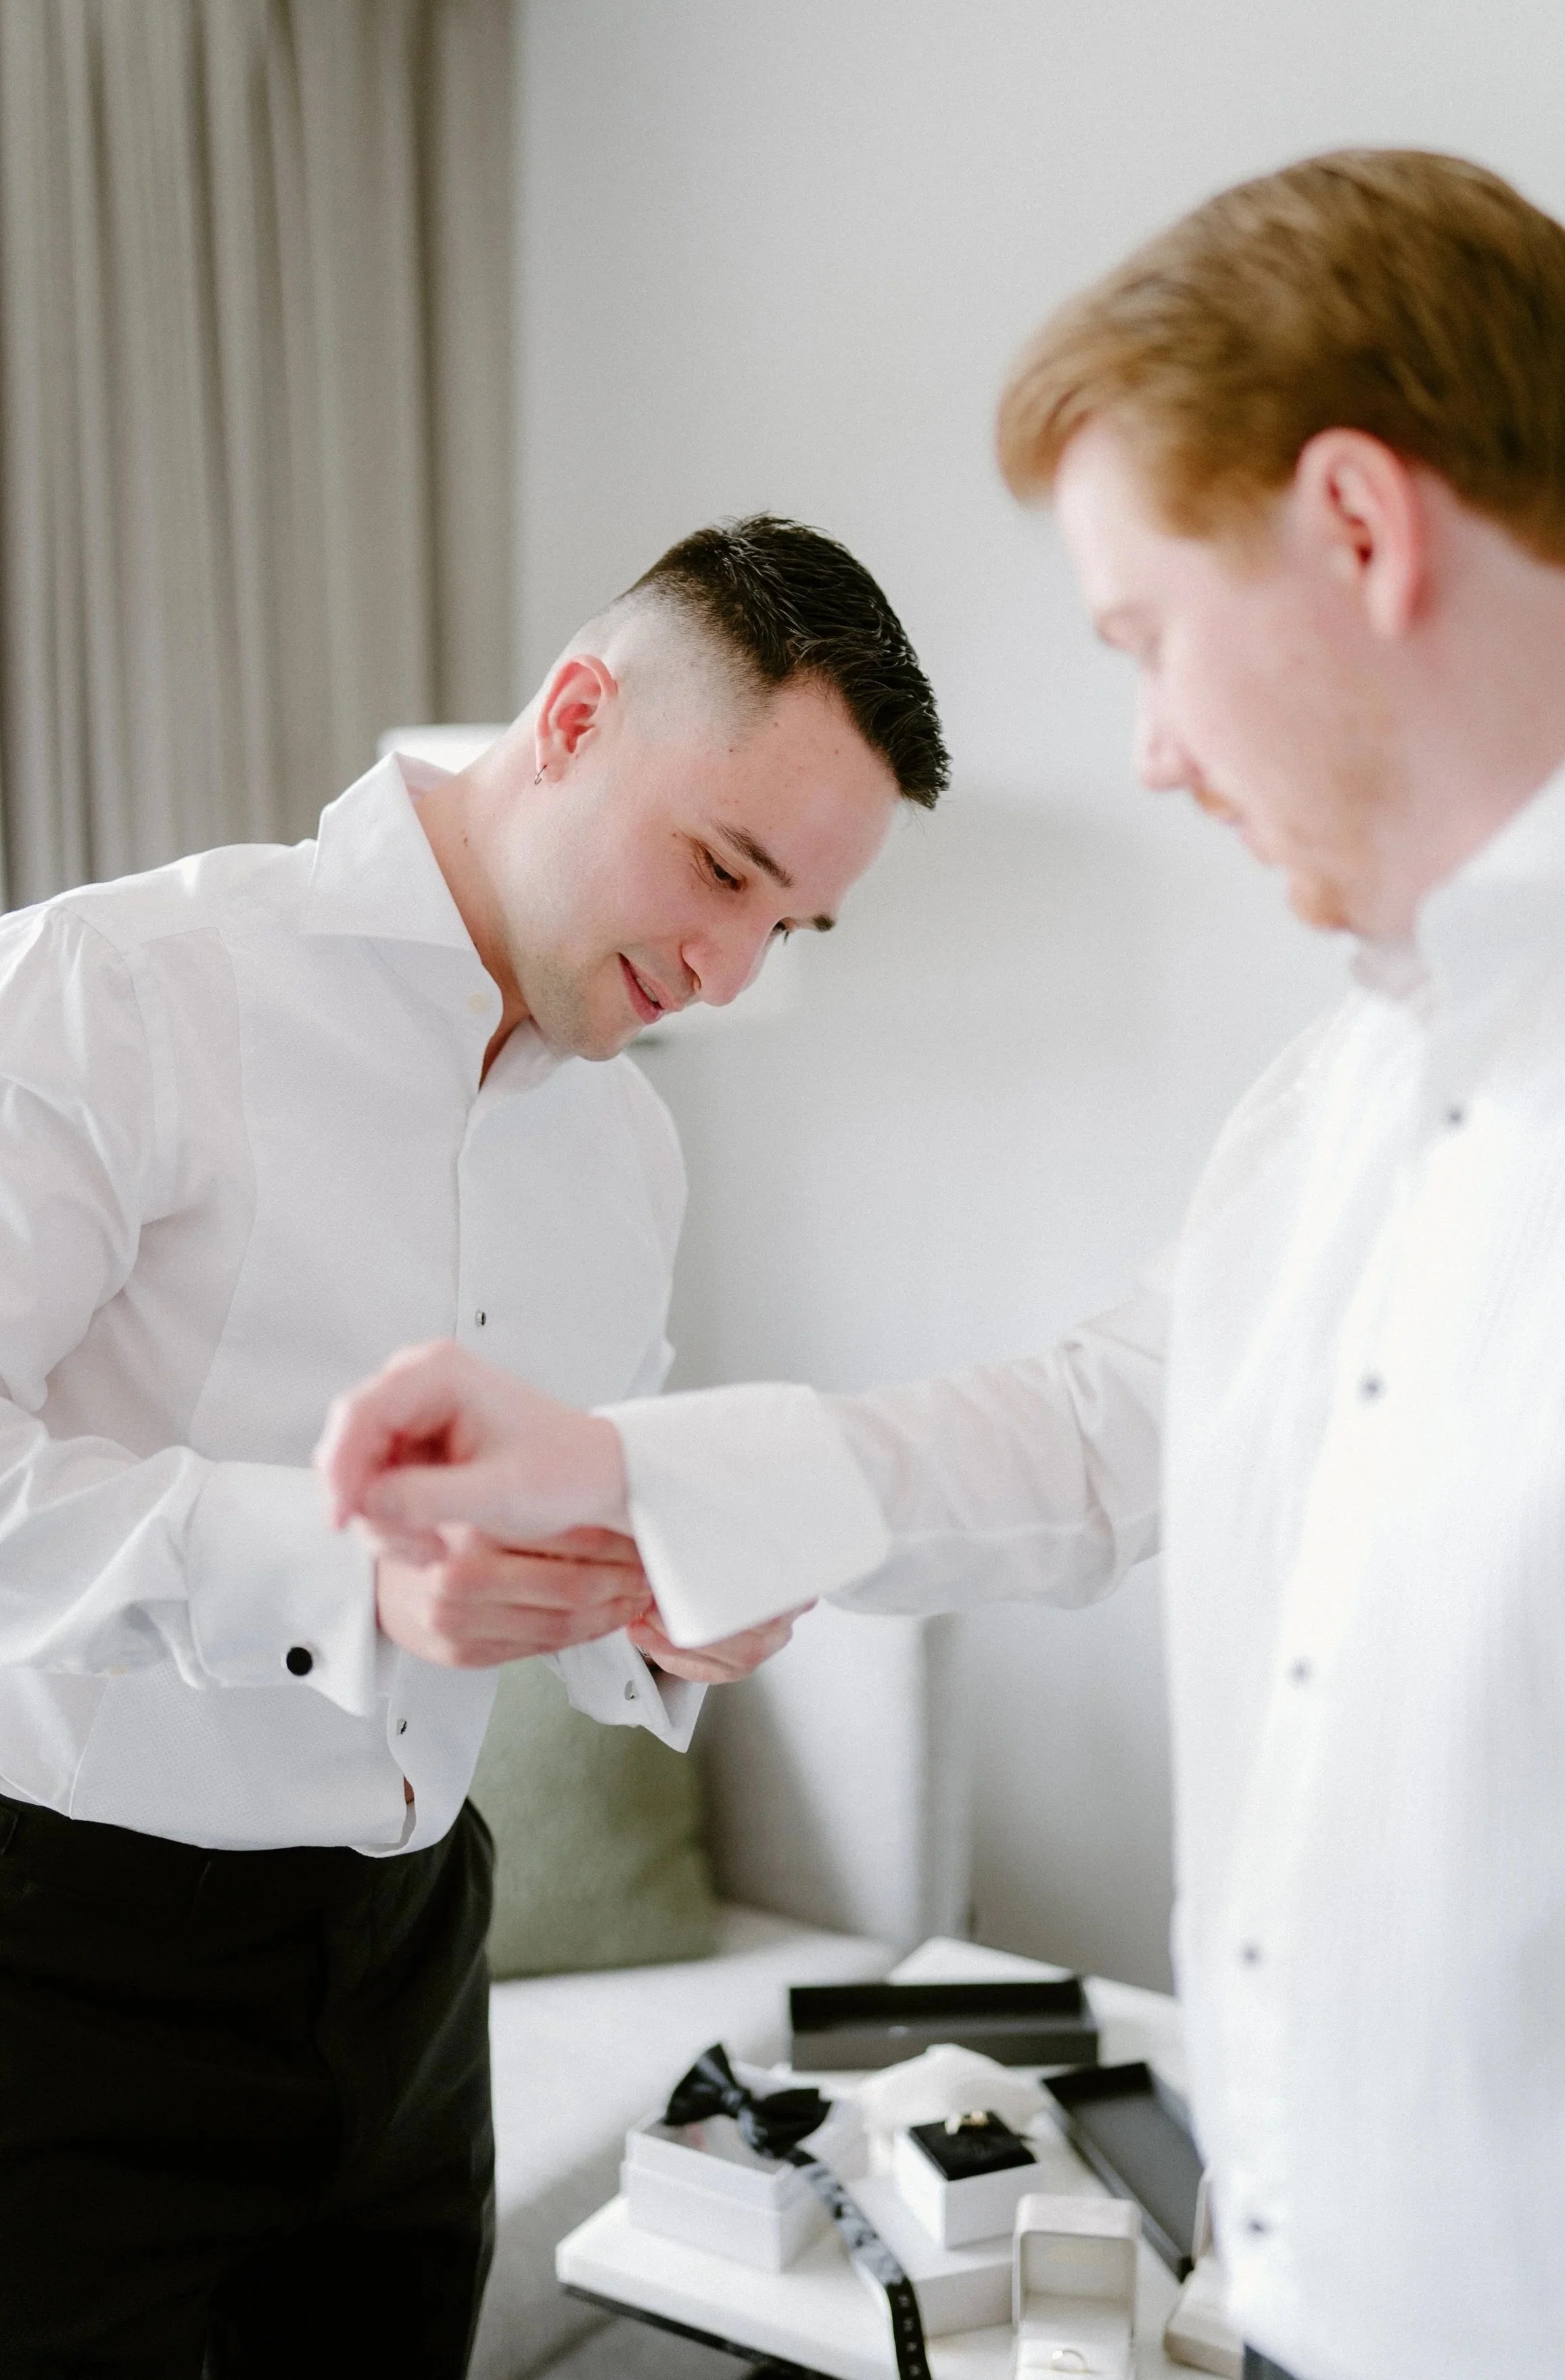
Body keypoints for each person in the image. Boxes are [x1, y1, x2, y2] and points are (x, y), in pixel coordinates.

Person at [321, 153, 1565, 2380]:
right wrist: (623, 1465)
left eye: (1145, 633)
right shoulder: (1349, 1079)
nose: (1149, 745)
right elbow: (1098, 1427)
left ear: (1361, 526)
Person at [0, 511, 948, 2379]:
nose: (731, 967)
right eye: (724, 868)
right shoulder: (114, 988)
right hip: (63, 1983)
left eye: (788, 922)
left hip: (417, 1967)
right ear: (578, 711)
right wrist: (352, 1572)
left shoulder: (632, 1154)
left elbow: (557, 1566)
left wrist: (655, 1616)